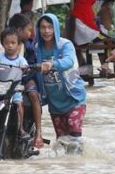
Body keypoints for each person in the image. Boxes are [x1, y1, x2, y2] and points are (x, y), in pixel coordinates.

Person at [35, 14, 88, 142]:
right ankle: (67, 163)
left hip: (73, 98)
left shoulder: (65, 45)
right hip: (54, 103)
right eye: (43, 27)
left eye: (50, 27)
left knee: (74, 133)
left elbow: (69, 61)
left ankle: (77, 161)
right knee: (62, 140)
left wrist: (53, 64)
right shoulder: (37, 48)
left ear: (56, 28)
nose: (46, 31)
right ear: (38, 29)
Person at [7, 13, 44, 148]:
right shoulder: (3, 44)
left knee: (33, 95)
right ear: (18, 30)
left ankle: (38, 132)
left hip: (26, 77)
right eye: (28, 30)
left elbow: (34, 61)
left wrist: (31, 67)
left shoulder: (28, 46)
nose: (30, 33)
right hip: (7, 79)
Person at [0, 28, 31, 140]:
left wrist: (25, 68)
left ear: (18, 44)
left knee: (19, 104)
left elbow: (26, 68)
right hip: (0, 87)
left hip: (15, 89)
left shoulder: (21, 60)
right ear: (3, 44)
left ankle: (21, 129)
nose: (10, 46)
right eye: (7, 43)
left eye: (13, 43)